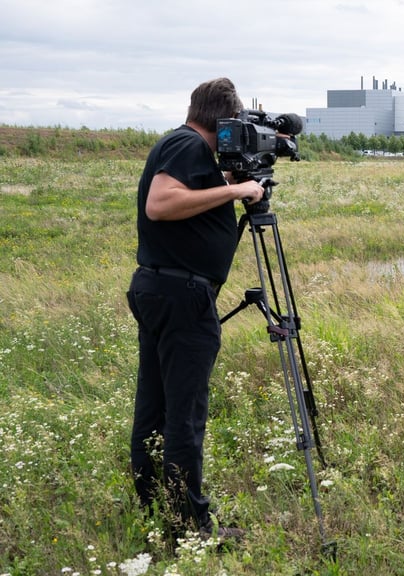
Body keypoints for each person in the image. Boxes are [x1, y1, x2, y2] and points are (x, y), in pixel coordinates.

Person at [126, 77, 263, 540]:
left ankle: (154, 507)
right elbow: (161, 203)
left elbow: (188, 199)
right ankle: (192, 527)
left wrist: (226, 182)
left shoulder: (182, 145)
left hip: (161, 288)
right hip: (182, 296)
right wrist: (235, 193)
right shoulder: (187, 144)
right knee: (183, 415)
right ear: (224, 120)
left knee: (155, 408)